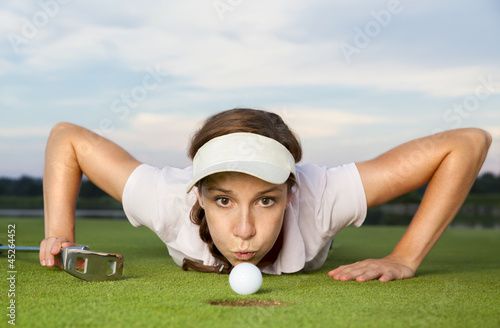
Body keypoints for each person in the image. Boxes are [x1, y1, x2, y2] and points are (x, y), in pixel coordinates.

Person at [39, 108, 492, 282]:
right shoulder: (165, 197)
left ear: (292, 193)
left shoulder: (323, 195)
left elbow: (469, 142)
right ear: (196, 195)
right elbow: (68, 137)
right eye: (222, 200)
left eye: (266, 199)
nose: (244, 231)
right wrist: (61, 234)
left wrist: (404, 257)